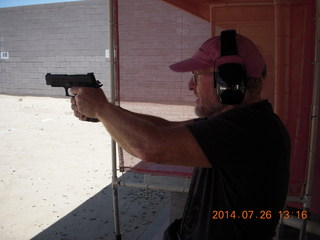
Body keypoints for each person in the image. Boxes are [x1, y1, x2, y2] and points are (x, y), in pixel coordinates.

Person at [70, 30, 290, 240]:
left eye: (197, 75)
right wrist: (104, 113)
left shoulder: (250, 128)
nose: (190, 85)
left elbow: (152, 146)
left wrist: (101, 108)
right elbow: (166, 128)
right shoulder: (240, 121)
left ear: (228, 81)